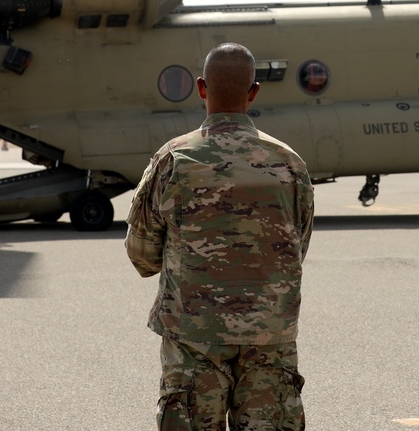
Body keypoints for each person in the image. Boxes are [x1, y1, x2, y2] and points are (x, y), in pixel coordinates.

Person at [126, 42, 314, 431]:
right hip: (270, 334)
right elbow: (297, 248)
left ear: (201, 88)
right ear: (254, 92)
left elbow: (142, 253)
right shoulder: (289, 163)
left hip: (195, 337)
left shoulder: (174, 159)